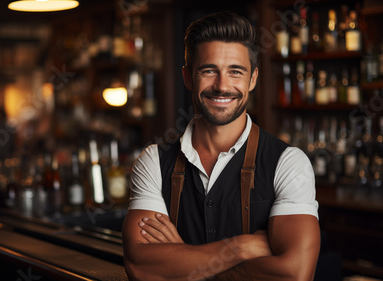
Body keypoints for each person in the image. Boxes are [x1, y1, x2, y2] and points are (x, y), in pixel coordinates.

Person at [122, 11, 320, 281]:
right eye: (208, 71)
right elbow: (140, 268)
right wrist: (241, 247)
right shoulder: (154, 161)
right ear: (188, 77)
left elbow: (294, 274)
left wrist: (182, 258)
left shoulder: (288, 163)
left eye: (235, 72)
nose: (222, 86)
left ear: (253, 79)